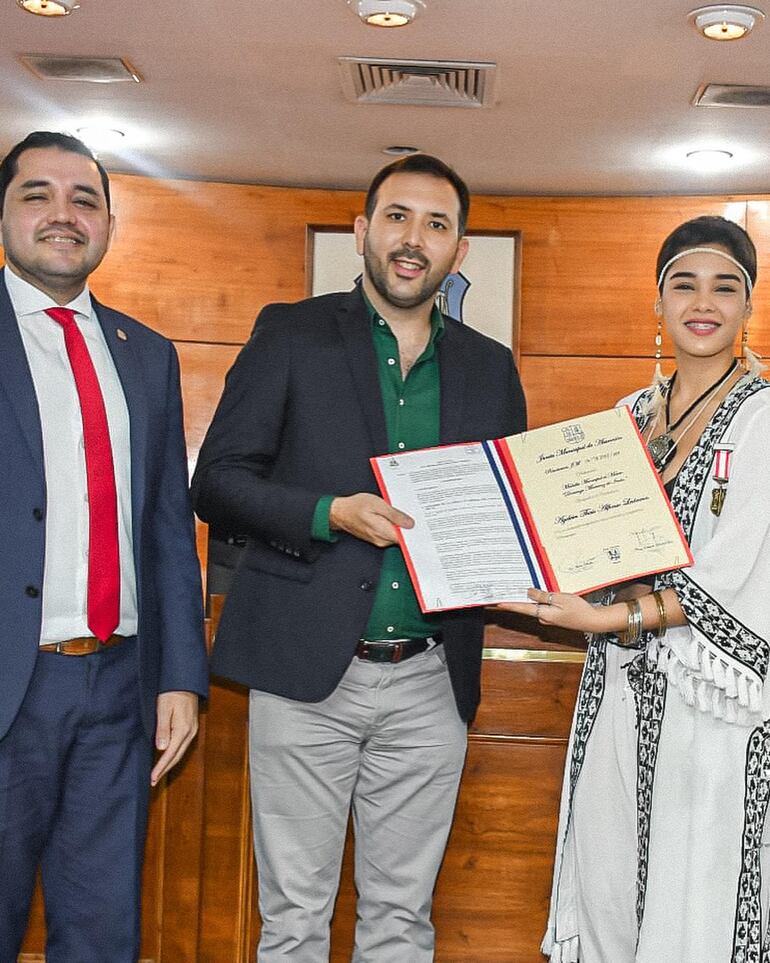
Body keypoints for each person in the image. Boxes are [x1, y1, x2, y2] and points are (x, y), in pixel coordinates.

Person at [192, 153, 527, 961]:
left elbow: (511, 515)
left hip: (430, 679)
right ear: (361, 231)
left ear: (460, 252)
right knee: (294, 921)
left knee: (402, 922)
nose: (415, 239)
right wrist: (327, 512)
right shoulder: (291, 332)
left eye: (437, 225)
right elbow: (217, 483)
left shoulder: (491, 366)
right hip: (304, 672)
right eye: (398, 217)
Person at [501, 216, 770, 962]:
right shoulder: (626, 418)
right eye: (683, 284)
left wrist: (610, 615)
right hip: (617, 690)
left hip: (710, 707)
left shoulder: (762, 420)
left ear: (750, 306)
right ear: (658, 303)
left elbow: (742, 573)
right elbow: (583, 539)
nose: (702, 302)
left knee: (696, 898)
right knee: (613, 887)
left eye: (726, 286)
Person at [0, 131, 208, 963]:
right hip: (13, 682)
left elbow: (166, 526)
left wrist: (181, 678)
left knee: (103, 929)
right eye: (36, 194)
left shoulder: (146, 355)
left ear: (110, 226)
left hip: (118, 688)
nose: (63, 214)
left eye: (84, 199)